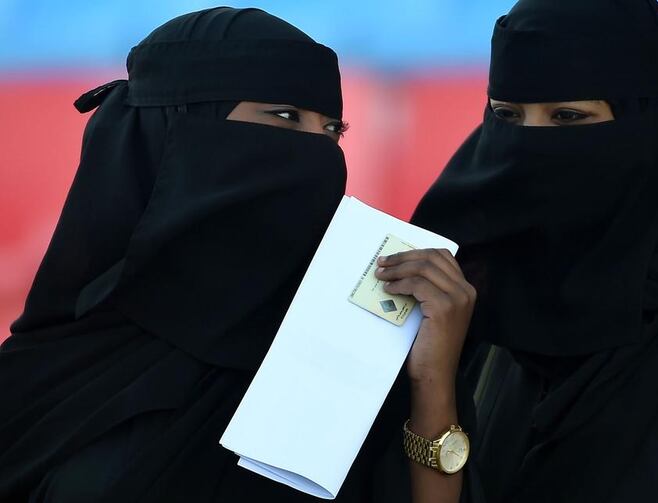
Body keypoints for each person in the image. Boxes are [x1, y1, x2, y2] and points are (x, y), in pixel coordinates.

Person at [0, 8, 475, 502]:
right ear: (179, 132)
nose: (320, 153)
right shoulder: (49, 370)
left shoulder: (361, 337)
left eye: (334, 130)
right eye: (286, 118)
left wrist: (434, 384)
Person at [412, 0, 658, 501]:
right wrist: (433, 387)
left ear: (651, 129)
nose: (525, 149)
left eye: (569, 116)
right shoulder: (488, 329)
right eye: (506, 116)